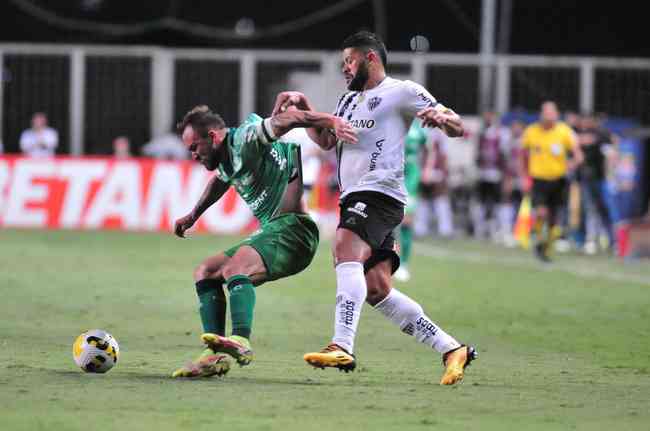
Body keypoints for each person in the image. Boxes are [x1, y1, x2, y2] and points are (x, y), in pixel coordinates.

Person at [272, 31, 476, 385]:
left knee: (343, 246)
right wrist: (304, 114)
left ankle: (342, 344)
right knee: (377, 288)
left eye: (349, 61)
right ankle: (451, 348)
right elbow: (325, 141)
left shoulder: (403, 91)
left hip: (380, 192)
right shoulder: (348, 101)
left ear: (371, 58)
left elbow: (457, 125)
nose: (345, 69)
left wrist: (445, 120)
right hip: (357, 196)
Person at [171, 104, 357, 378]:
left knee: (236, 268)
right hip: (275, 229)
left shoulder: (246, 137)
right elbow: (220, 182)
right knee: (206, 271)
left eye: (194, 147)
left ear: (213, 136)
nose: (193, 155)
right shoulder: (227, 157)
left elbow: (292, 118)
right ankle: (216, 355)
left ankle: (241, 341)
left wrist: (332, 121)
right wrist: (193, 215)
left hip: (295, 230)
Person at [520, 101, 583, 262]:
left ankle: (545, 248)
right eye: (546, 113)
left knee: (554, 220)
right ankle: (538, 239)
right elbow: (522, 154)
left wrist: (572, 164)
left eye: (552, 113)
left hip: (559, 180)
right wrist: (523, 175)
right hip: (539, 179)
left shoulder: (564, 131)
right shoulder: (531, 131)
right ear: (541, 114)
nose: (549, 116)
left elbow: (578, 155)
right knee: (541, 213)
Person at [393, 118, 428, 282]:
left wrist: (427, 168)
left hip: (411, 176)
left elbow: (428, 149)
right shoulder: (394, 120)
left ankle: (403, 264)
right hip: (392, 174)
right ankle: (388, 262)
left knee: (407, 221)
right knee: (390, 221)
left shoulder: (419, 128)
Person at [577, 113, 616, 254]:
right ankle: (591, 239)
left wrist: (610, 177)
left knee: (605, 209)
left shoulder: (603, 135)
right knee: (590, 209)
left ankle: (611, 240)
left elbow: (611, 156)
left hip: (602, 179)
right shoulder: (583, 134)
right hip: (588, 178)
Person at [472, 111, 511, 241]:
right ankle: (480, 228)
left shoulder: (502, 133)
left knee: (498, 201)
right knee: (481, 201)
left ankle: (500, 229)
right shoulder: (481, 133)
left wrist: (506, 174)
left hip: (496, 173)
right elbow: (477, 153)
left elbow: (505, 155)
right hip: (483, 173)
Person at [414, 127, 454, 239]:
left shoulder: (441, 134)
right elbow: (420, 153)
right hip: (424, 170)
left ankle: (445, 229)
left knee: (440, 200)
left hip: (436, 171)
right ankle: (420, 228)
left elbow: (443, 154)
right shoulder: (422, 132)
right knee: (423, 200)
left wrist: (444, 172)